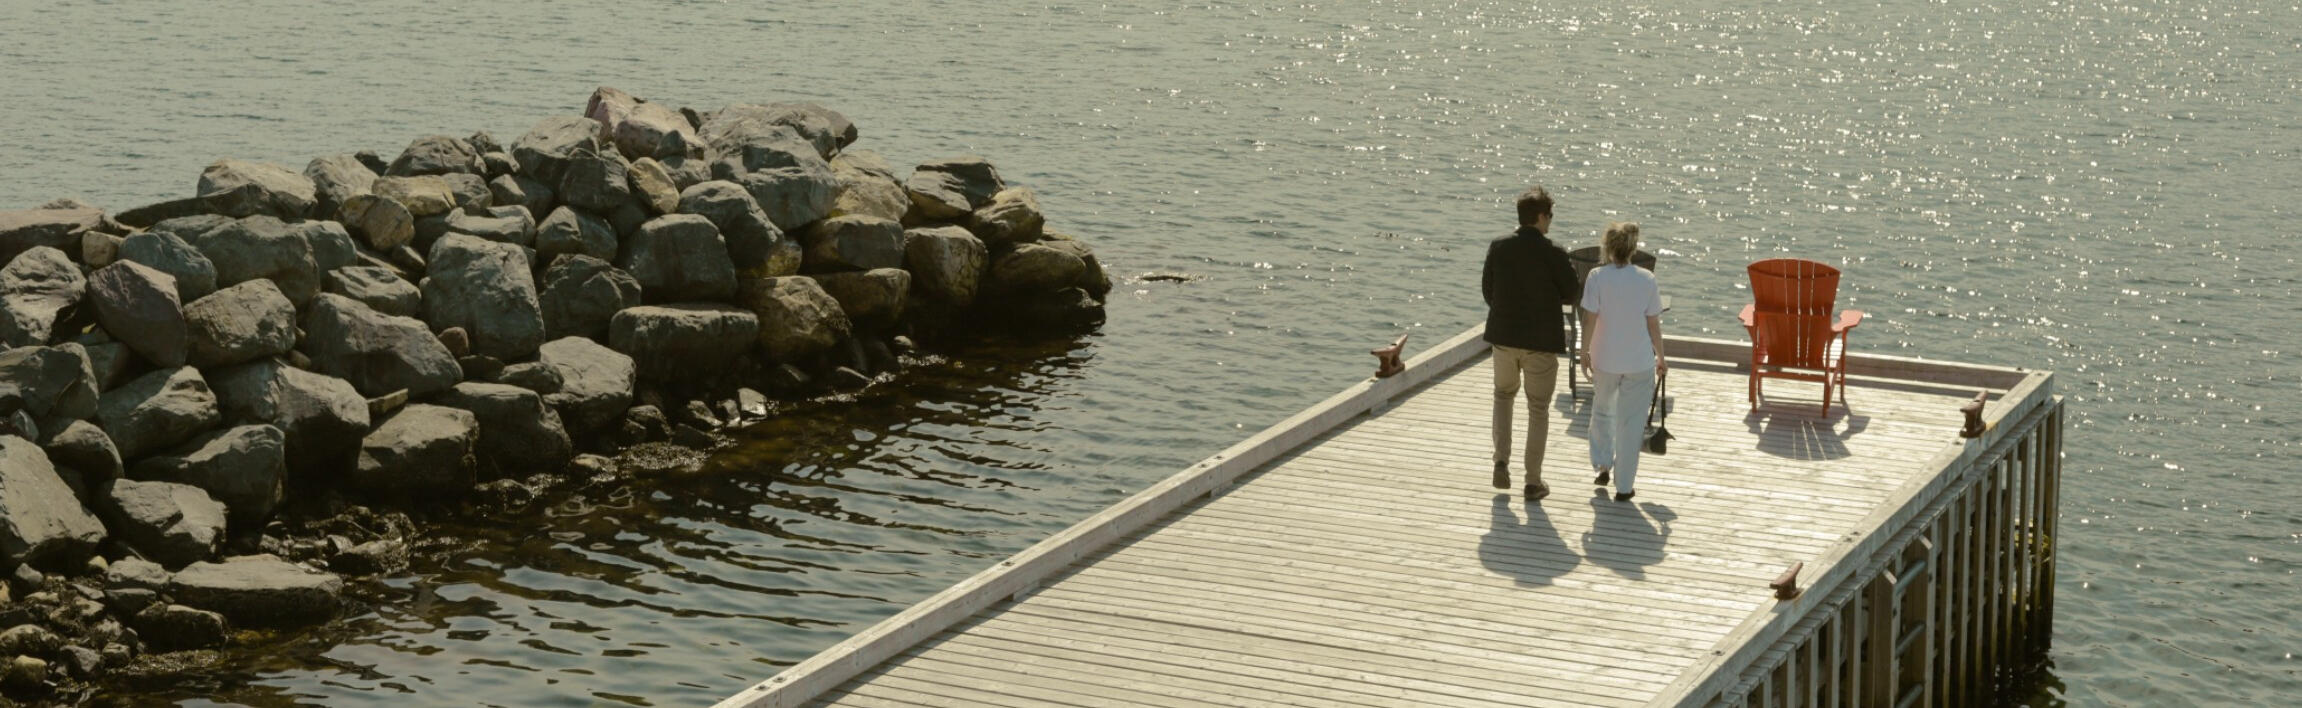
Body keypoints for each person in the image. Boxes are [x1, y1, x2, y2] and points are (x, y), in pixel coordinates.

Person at [1482, 186, 1579, 500]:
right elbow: (1571, 292)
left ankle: (1500, 460)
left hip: (1503, 338)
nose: (1551, 220)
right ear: (1540, 217)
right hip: (1540, 343)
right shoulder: (1554, 252)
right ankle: (1532, 481)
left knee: (1503, 396)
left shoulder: (1499, 247)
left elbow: (1488, 290)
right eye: (1549, 215)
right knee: (1538, 409)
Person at [1579, 222, 1666, 502]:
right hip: (1639, 361)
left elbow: (1589, 319)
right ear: (1633, 249)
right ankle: (1624, 487)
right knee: (1631, 423)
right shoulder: (1646, 279)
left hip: (1605, 358)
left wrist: (1584, 352)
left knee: (1603, 411)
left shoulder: (1596, 277)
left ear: (1607, 247)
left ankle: (1603, 465)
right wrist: (1661, 356)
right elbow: (1653, 324)